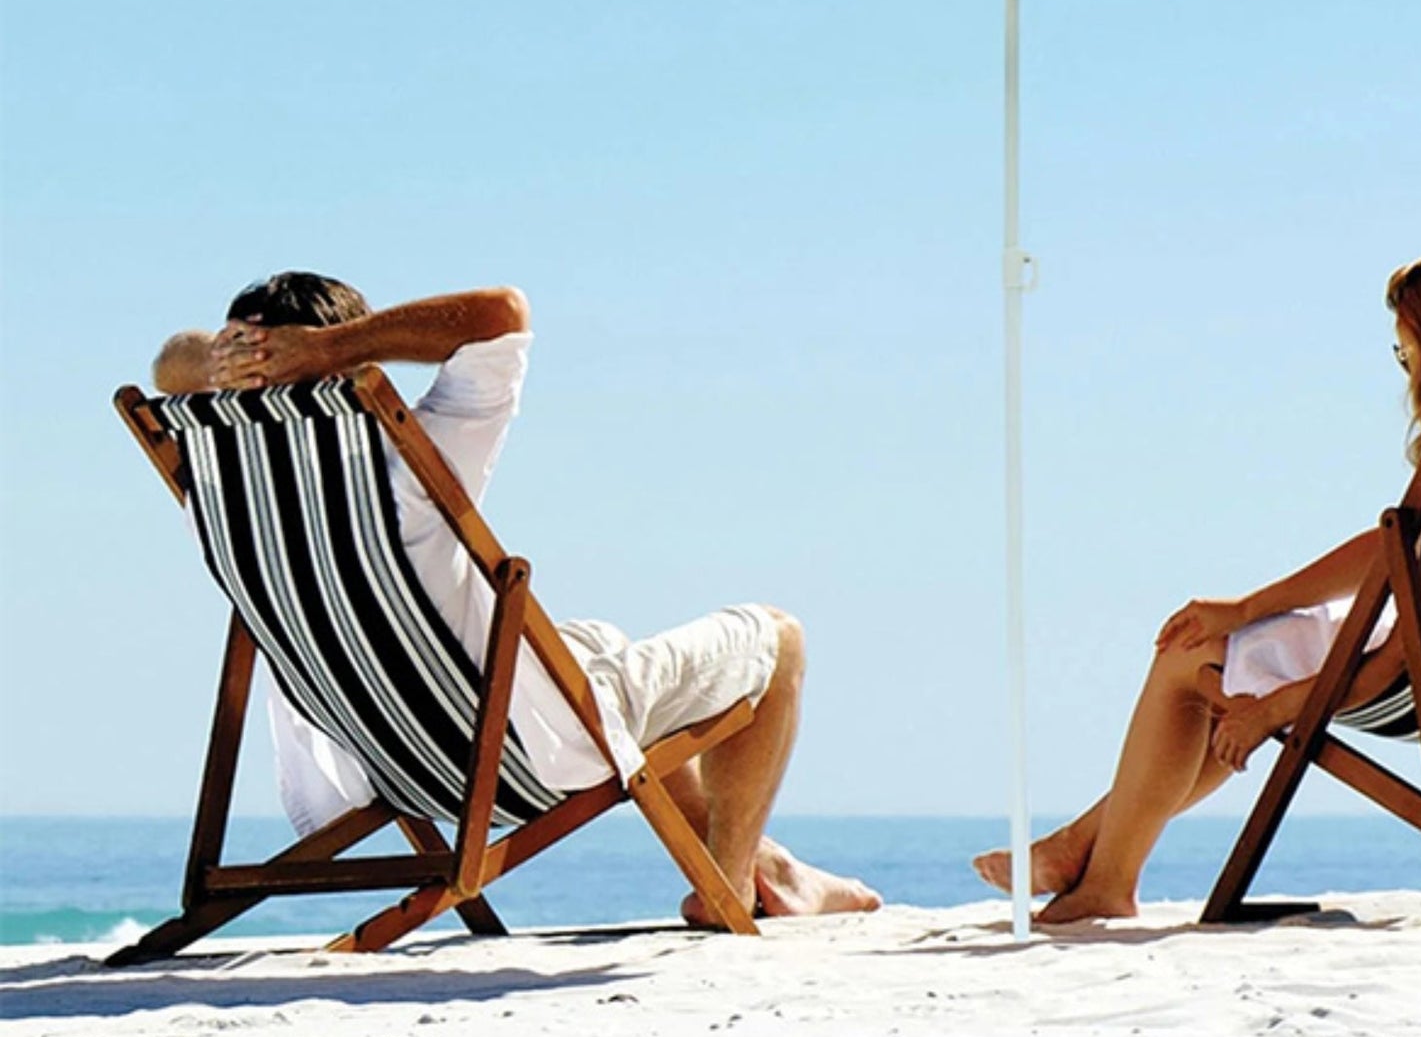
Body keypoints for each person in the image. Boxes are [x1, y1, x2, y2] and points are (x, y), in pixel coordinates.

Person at [154, 273, 880, 928]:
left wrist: (241, 357)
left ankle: (771, 865)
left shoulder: (216, 482)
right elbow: (502, 313)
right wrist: (331, 346)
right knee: (777, 637)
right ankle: (729, 884)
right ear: (350, 360)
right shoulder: (415, 454)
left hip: (386, 764)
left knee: (595, 646)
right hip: (514, 761)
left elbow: (166, 366)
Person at [973, 250, 1421, 924]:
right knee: (1222, 655)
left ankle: (1106, 879)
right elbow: (1396, 546)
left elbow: (1405, 657)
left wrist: (1277, 707)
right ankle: (1084, 844)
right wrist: (1248, 608)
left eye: (1404, 349)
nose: (1402, 365)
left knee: (1188, 659)